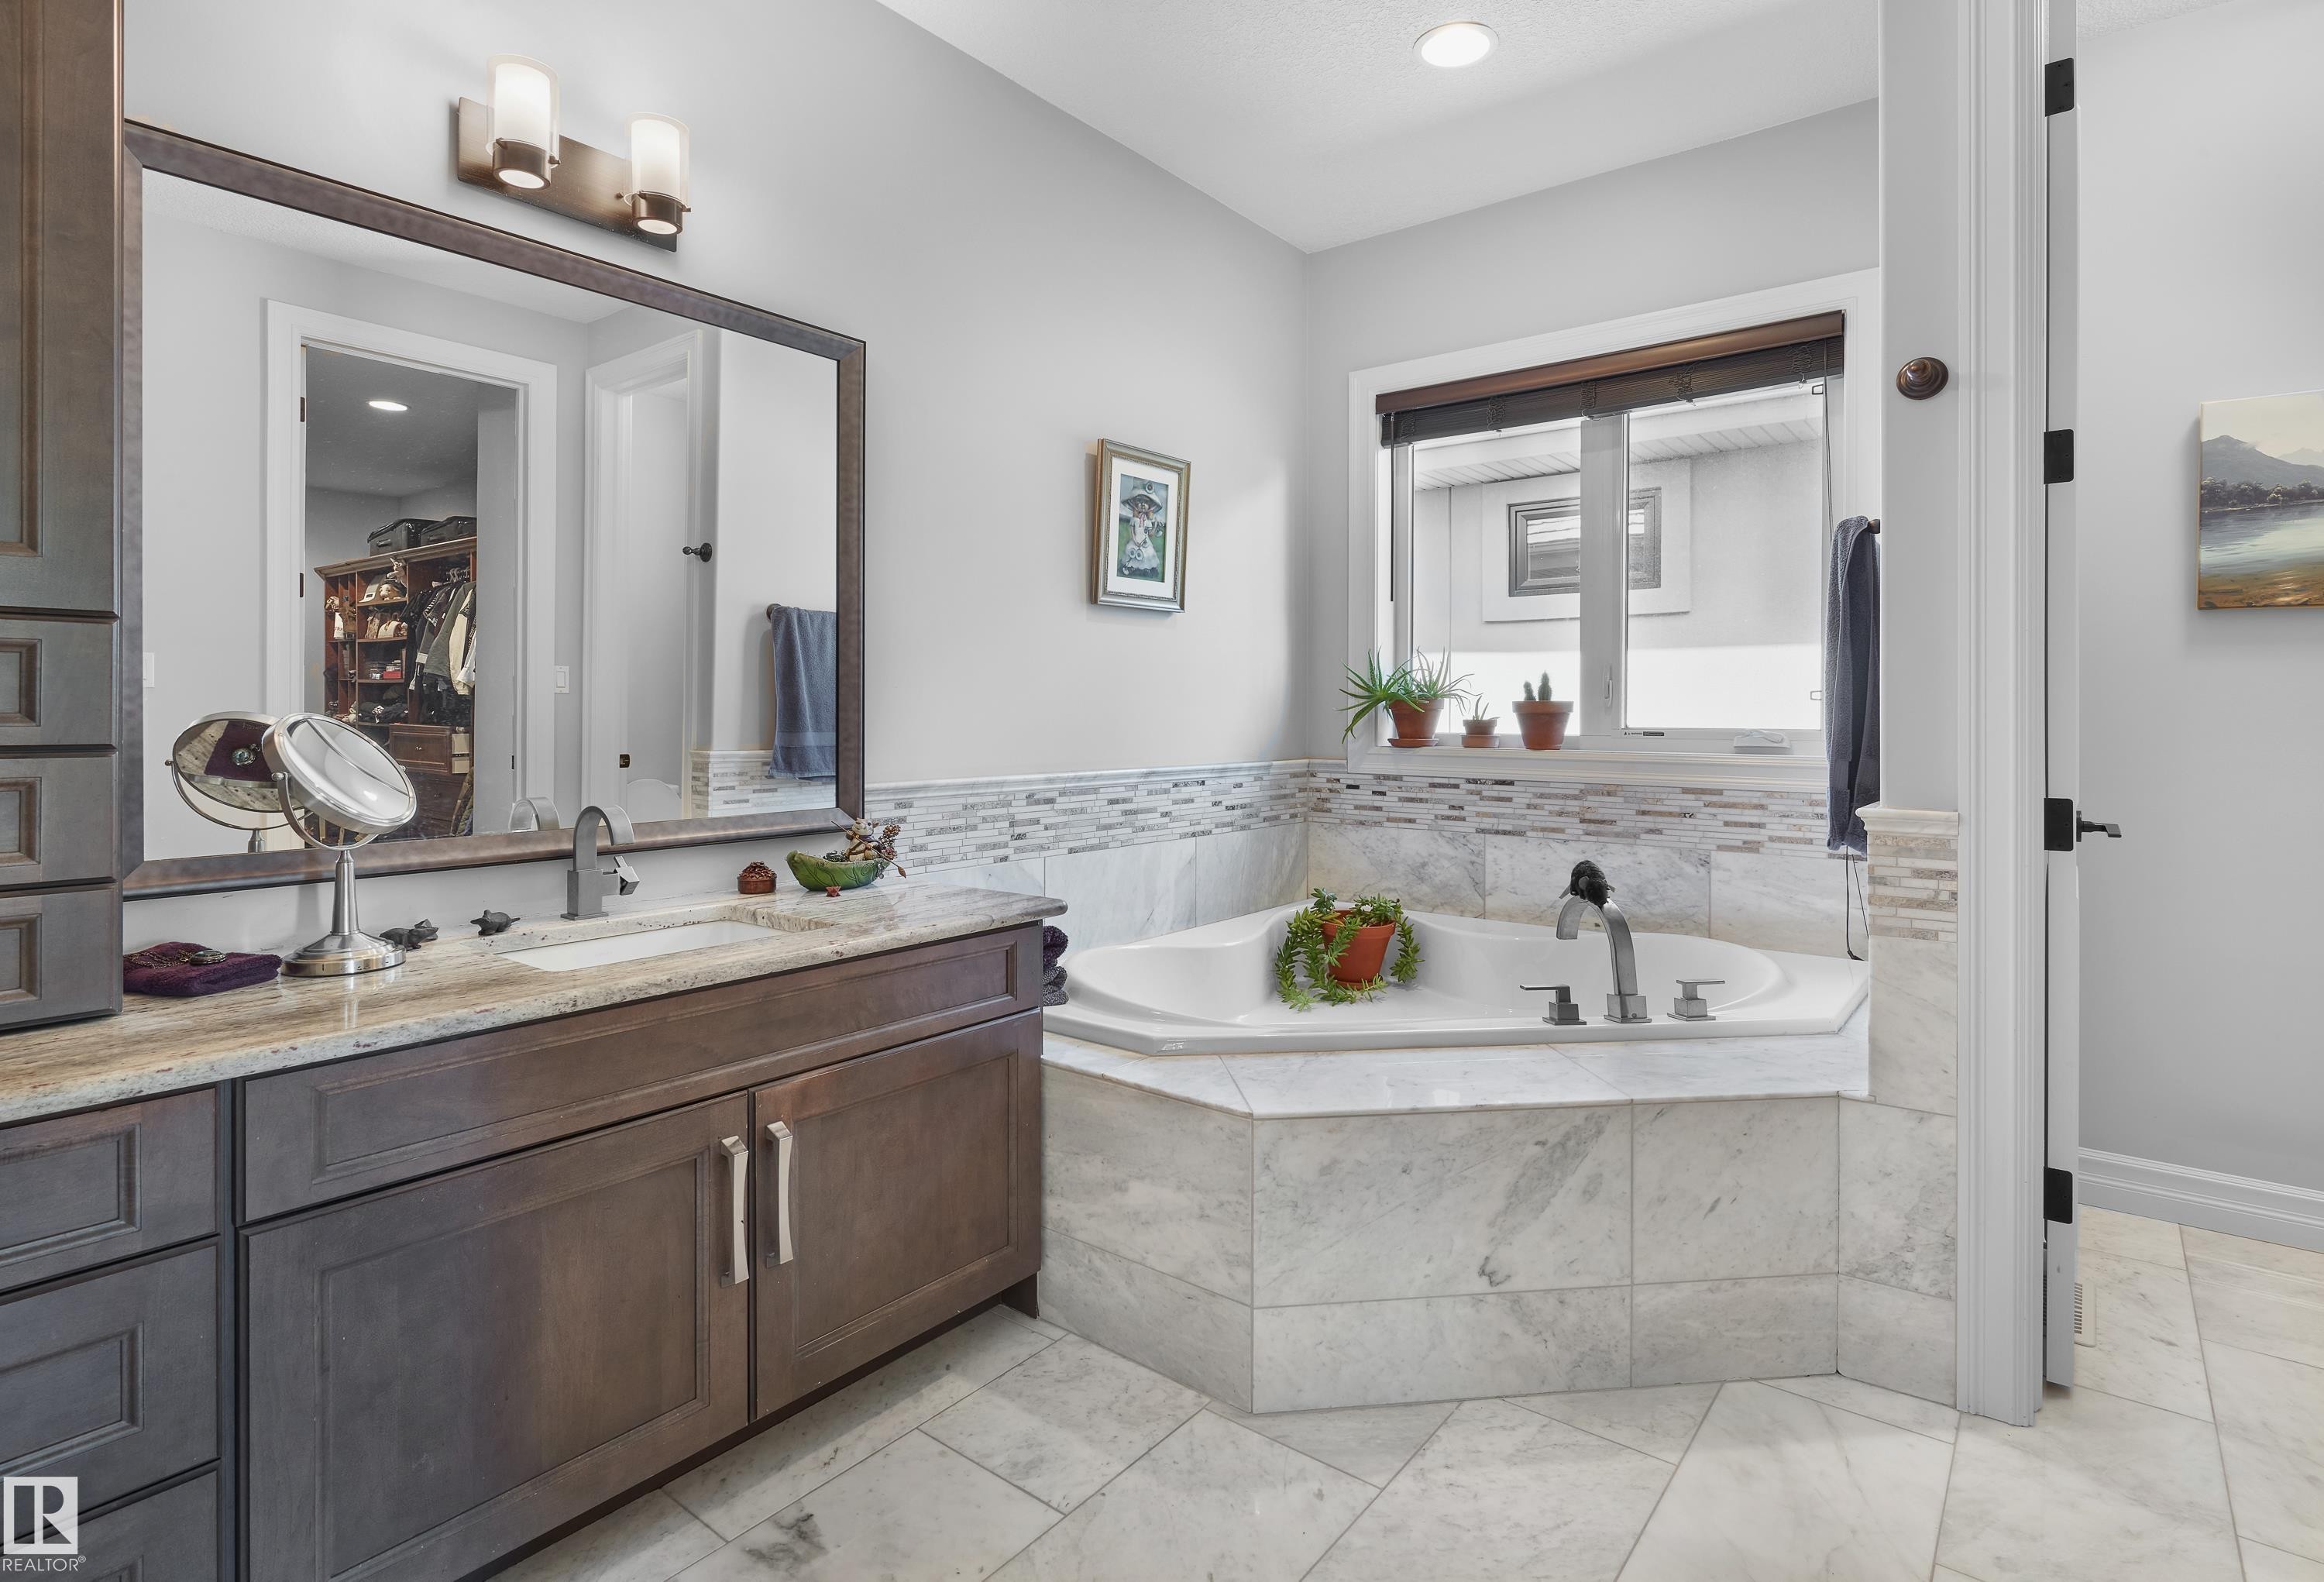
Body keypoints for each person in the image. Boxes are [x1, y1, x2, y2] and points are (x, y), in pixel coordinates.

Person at [1119, 489, 1165, 578]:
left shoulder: (1147, 521)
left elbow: (1150, 534)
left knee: (1147, 554)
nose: (1143, 504)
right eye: (1140, 502)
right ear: (1135, 505)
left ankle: (1145, 569)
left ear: (1150, 506)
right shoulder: (1134, 520)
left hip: (1145, 541)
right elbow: (1132, 531)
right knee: (1132, 552)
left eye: (1146, 502)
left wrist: (1155, 525)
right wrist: (1135, 541)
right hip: (1136, 540)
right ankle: (1131, 568)